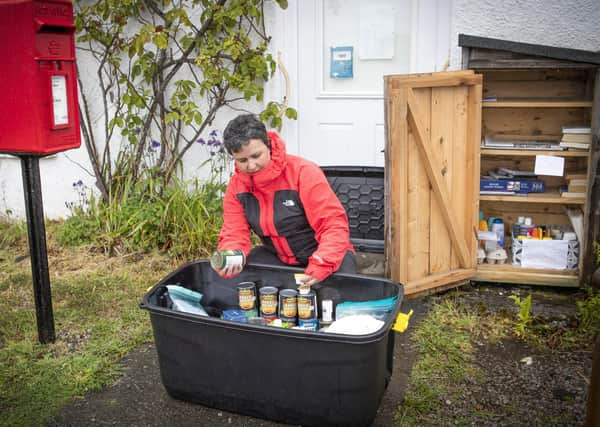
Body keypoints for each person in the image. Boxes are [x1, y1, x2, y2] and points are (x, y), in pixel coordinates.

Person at [214, 114, 356, 286]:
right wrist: (231, 255)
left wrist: (323, 262)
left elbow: (332, 224)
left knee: (337, 292)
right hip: (278, 258)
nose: (251, 166)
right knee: (240, 283)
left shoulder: (303, 172)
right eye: (242, 160)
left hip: (324, 254)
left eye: (256, 156)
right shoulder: (237, 187)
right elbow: (234, 231)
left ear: (268, 145)